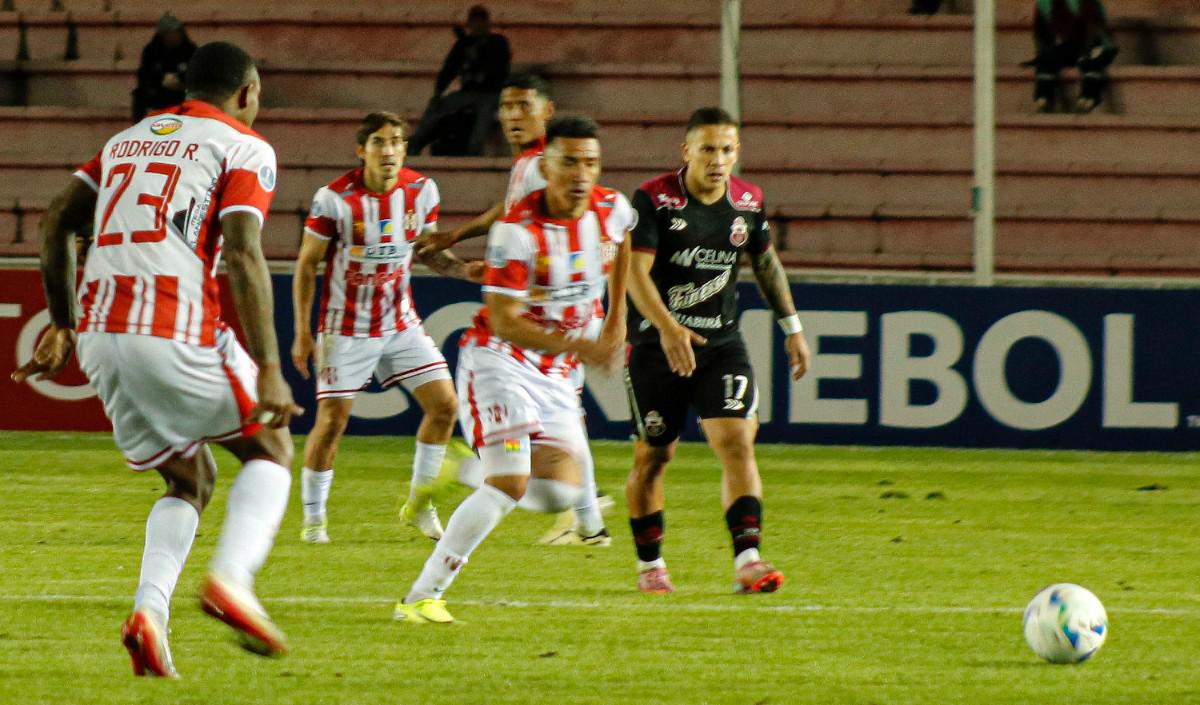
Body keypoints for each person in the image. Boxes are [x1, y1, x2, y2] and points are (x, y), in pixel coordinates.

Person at [12, 41, 299, 676]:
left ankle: (149, 614)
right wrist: (271, 366)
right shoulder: (244, 146)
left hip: (101, 338)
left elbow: (57, 218)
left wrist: (61, 322)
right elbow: (245, 252)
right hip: (172, 322)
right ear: (248, 92)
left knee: (188, 479)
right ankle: (231, 582)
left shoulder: (128, 139)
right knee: (272, 448)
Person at [394, 115, 631, 623]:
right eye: (569, 162)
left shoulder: (612, 209)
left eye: (590, 162)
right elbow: (503, 322)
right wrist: (582, 345)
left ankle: (464, 470)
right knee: (510, 486)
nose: (581, 173)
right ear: (546, 166)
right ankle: (421, 597)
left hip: (556, 369)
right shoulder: (517, 231)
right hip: (500, 362)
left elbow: (624, 241)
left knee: (558, 491)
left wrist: (616, 321)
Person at [414, 73, 614, 547]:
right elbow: (511, 215)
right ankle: (585, 524)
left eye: (523, 106)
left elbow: (518, 219)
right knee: (565, 419)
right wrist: (462, 243)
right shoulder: (535, 163)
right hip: (564, 311)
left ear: (547, 111)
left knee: (566, 419)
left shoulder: (544, 162)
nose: (511, 116)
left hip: (560, 308)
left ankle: (582, 522)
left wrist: (459, 242)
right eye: (505, 106)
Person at [623, 107, 812, 595]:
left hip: (720, 345)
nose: (718, 159)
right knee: (654, 456)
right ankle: (651, 564)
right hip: (655, 345)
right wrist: (667, 328)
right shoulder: (653, 200)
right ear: (686, 151)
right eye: (708, 148)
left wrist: (792, 327)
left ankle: (748, 559)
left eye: (727, 150)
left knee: (737, 442)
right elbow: (633, 273)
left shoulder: (748, 202)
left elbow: (766, 265)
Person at [291, 111, 482, 544]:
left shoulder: (422, 191)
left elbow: (429, 254)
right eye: (379, 141)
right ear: (362, 150)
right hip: (346, 327)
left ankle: (419, 504)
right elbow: (306, 265)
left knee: (445, 406)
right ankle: (314, 519)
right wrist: (303, 332)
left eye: (397, 141)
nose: (389, 149)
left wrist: (467, 271)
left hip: (400, 322)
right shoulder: (334, 199)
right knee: (332, 422)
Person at [406, 5, 511, 156]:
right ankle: (415, 143)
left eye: (481, 21)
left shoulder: (498, 42)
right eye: (475, 21)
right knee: (438, 107)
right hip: (466, 93)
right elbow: (448, 70)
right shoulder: (463, 44)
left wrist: (480, 58)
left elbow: (501, 72)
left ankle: (474, 151)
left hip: (491, 93)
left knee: (483, 116)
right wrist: (438, 93)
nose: (478, 25)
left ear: (487, 23)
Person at [1031, 0, 1119, 113]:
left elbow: (1096, 30)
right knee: (1048, 59)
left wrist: (1086, 53)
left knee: (1092, 60)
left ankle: (1088, 97)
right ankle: (1044, 98)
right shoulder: (1044, 3)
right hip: (1073, 46)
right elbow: (1042, 36)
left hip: (1097, 45)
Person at [132, 13, 196, 121]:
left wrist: (180, 81)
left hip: (182, 92)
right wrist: (161, 80)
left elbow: (196, 74)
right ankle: (137, 127)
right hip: (160, 91)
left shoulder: (190, 49)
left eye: (177, 32)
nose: (175, 36)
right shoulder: (151, 50)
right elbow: (144, 74)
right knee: (139, 95)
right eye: (171, 33)